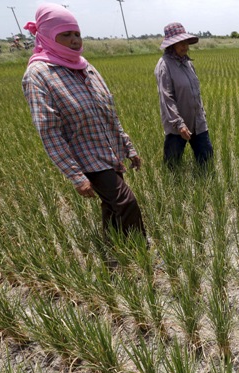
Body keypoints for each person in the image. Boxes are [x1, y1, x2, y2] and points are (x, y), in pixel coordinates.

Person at [22, 3, 147, 242]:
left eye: (77, 34)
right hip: (86, 158)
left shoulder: (85, 66)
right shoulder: (38, 74)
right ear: (47, 36)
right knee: (125, 201)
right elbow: (49, 132)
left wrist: (128, 148)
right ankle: (142, 250)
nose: (74, 40)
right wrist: (76, 176)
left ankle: (114, 250)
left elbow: (109, 113)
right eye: (66, 34)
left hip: (107, 151)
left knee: (112, 206)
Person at [155, 22, 213, 171]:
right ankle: (172, 193)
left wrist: (202, 113)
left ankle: (206, 188)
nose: (184, 46)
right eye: (179, 43)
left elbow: (195, 92)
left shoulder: (187, 63)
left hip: (197, 121)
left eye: (185, 42)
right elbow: (166, 98)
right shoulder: (164, 65)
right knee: (173, 167)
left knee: (206, 161)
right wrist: (179, 124)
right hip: (177, 127)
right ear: (171, 45)